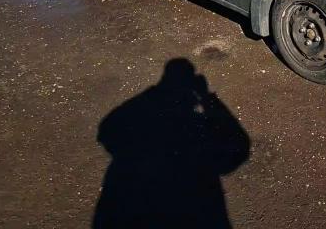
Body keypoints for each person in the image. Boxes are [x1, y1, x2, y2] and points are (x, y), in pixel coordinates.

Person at [93, 58, 250, 228]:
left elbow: (106, 131)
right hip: (193, 204)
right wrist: (207, 97)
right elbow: (239, 148)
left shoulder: (142, 103)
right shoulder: (185, 117)